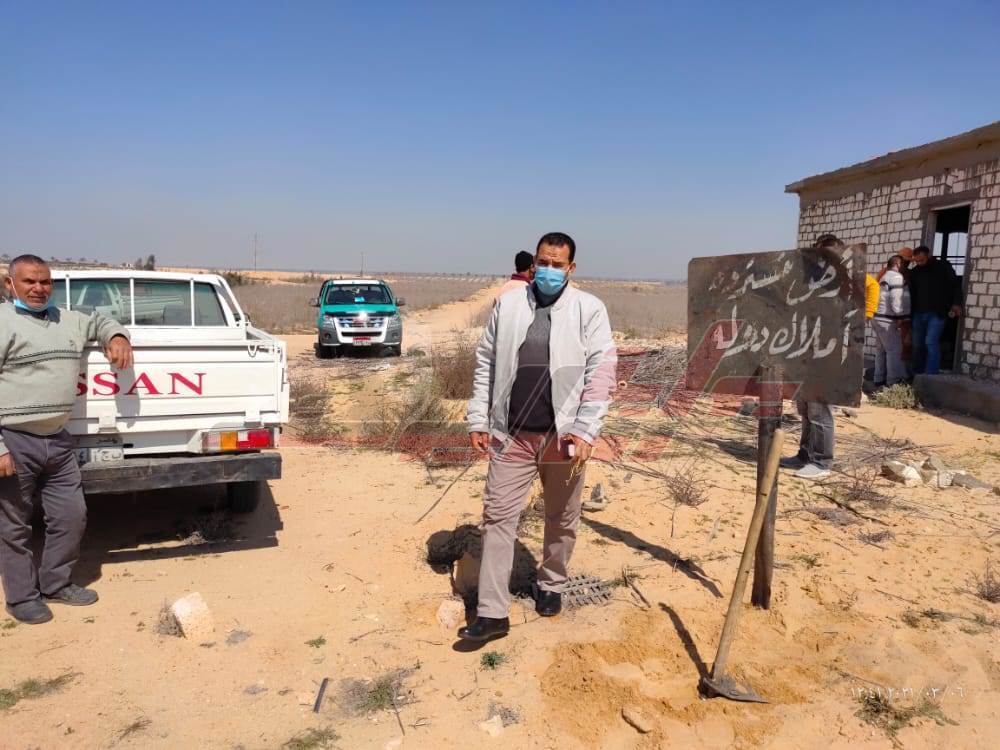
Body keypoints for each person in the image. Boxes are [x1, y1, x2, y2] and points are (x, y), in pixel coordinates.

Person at [462, 232, 616, 642]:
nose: (548, 270)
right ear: (534, 262)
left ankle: (551, 583)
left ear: (571, 268)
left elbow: (601, 372)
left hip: (564, 438)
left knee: (562, 517)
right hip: (511, 434)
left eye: (557, 264)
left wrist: (586, 430)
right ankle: (492, 613)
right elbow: (486, 362)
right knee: (497, 517)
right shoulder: (509, 304)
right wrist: (478, 418)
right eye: (542, 262)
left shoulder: (589, 309)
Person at [1, 255, 133, 624]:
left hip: (57, 440)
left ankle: (55, 584)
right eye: (29, 282)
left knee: (71, 516)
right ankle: (21, 598)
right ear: (10, 285)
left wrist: (117, 335)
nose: (38, 289)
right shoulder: (3, 322)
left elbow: (100, 320)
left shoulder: (68, 319)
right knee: (14, 526)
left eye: (45, 282)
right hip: (14, 440)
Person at [781, 233, 876, 481]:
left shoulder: (846, 276)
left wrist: (866, 315)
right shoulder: (816, 277)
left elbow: (872, 285)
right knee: (805, 405)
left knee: (819, 407)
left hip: (830, 350)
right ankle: (805, 454)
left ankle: (822, 462)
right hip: (808, 348)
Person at [909, 245, 962, 375]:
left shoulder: (943, 267)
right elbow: (911, 293)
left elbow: (956, 285)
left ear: (929, 255)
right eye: (917, 261)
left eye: (922, 260)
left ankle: (931, 375)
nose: (919, 263)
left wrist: (956, 303)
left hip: (937, 313)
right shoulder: (915, 272)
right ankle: (918, 374)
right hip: (918, 314)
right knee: (917, 344)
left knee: (931, 342)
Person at [872, 255, 911, 387]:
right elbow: (896, 299)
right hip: (887, 319)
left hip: (878, 317)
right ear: (898, 264)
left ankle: (878, 380)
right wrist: (901, 317)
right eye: (904, 264)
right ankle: (893, 382)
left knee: (881, 350)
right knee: (894, 350)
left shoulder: (885, 276)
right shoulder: (896, 277)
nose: (906, 267)